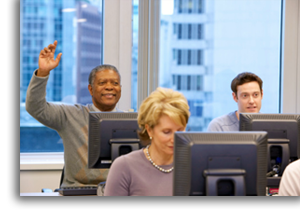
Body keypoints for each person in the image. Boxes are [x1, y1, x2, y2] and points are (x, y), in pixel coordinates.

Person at [25, 40, 122, 188]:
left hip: (118, 192)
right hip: (77, 192)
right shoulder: (70, 115)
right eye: (102, 83)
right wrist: (43, 73)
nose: (109, 87)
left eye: (115, 83)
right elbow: (35, 107)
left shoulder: (131, 122)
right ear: (90, 89)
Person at [103, 87, 190, 196]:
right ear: (149, 130)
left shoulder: (193, 165)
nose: (174, 139)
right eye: (166, 132)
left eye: (180, 131)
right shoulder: (124, 166)